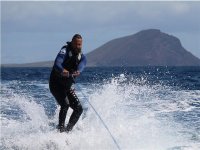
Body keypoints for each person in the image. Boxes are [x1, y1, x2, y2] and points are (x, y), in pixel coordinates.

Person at [49, 34, 87, 132]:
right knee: (65, 105)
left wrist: (78, 71)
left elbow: (83, 63)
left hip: (67, 86)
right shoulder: (64, 51)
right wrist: (62, 70)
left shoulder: (81, 56)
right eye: (76, 44)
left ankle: (68, 131)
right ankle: (60, 130)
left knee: (79, 109)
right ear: (72, 43)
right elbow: (57, 63)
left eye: (80, 45)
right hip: (55, 84)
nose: (78, 47)